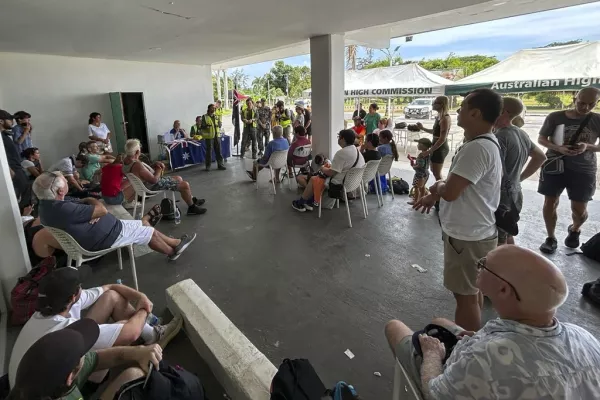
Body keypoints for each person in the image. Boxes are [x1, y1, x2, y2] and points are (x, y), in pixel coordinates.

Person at [384, 245, 600, 400]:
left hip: (462, 376)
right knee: (440, 322)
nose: (478, 267)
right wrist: (481, 340)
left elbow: (434, 393)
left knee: (394, 327)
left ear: (504, 289)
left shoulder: (484, 358)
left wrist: (433, 355)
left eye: (483, 265)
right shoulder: (584, 337)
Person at [413, 88, 503, 332]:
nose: (458, 111)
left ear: (475, 113)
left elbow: (451, 190)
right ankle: (473, 339)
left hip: (467, 236)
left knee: (464, 297)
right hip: (475, 232)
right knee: (473, 293)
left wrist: (439, 186)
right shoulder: (484, 144)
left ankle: (466, 348)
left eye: (462, 108)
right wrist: (435, 195)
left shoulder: (477, 148)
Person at [9, 267, 182, 387]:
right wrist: (144, 310)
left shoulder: (48, 307)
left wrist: (140, 296)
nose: (82, 289)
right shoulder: (62, 330)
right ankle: (149, 340)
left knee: (111, 297)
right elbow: (130, 333)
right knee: (125, 328)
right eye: (79, 287)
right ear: (73, 296)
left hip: (33, 379)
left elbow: (111, 287)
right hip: (57, 388)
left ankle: (152, 335)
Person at [32, 171, 197, 260]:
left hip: (97, 233)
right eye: (66, 182)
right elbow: (102, 209)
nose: (69, 182)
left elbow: (81, 205)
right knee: (148, 232)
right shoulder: (65, 209)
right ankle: (172, 252)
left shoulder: (46, 206)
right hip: (103, 238)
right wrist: (91, 202)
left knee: (143, 226)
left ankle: (176, 243)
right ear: (60, 191)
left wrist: (88, 212)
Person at [8, 318, 177, 400]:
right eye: (82, 353)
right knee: (133, 375)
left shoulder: (37, 378)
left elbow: (100, 357)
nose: (87, 351)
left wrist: (139, 351)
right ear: (70, 377)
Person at [537, 87, 600, 254]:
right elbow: (541, 139)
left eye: (590, 104)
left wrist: (587, 146)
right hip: (555, 165)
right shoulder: (555, 117)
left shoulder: (597, 119)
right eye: (581, 103)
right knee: (550, 203)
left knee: (579, 210)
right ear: (574, 98)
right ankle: (550, 238)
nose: (585, 108)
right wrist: (557, 148)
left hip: (583, 169)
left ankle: (575, 228)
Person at [494, 97, 546, 245]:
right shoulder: (520, 132)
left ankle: (499, 267)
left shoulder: (500, 136)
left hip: (501, 196)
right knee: (507, 233)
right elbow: (540, 157)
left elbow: (496, 172)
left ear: (503, 112)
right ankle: (512, 265)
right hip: (515, 193)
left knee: (498, 241)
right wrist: (519, 178)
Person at [123, 139, 207, 215]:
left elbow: (142, 172)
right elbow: (154, 180)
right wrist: (158, 169)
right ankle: (192, 208)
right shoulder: (136, 164)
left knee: (178, 178)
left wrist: (153, 165)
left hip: (145, 185)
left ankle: (192, 200)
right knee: (185, 185)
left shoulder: (126, 161)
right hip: (152, 186)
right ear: (137, 152)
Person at [292, 129, 365, 212]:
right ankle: (309, 200)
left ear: (343, 139)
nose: (337, 139)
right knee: (317, 176)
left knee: (313, 179)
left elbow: (331, 173)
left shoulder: (341, 153)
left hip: (339, 184)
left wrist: (322, 168)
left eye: (339, 137)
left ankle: (301, 202)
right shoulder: (356, 151)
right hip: (353, 183)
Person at [1, 110, 32, 210]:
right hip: (13, 168)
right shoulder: (2, 136)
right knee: (23, 192)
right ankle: (23, 219)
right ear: (1, 121)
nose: (12, 121)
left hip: (17, 166)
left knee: (25, 191)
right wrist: (9, 170)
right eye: (9, 119)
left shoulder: (4, 135)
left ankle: (25, 217)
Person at [415, 96, 452, 181]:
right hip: (436, 145)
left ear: (441, 104)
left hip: (440, 147)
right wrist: (422, 128)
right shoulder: (439, 117)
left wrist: (429, 151)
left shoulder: (445, 119)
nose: (433, 104)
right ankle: (439, 190)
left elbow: (442, 138)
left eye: (435, 103)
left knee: (437, 173)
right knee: (433, 170)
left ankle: (441, 191)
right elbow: (434, 132)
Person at [200, 104, 226, 171]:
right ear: (208, 109)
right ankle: (208, 166)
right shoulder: (204, 117)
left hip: (217, 136)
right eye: (212, 108)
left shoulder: (216, 116)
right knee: (209, 152)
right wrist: (206, 126)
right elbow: (201, 126)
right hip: (209, 137)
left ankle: (220, 165)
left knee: (219, 151)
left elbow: (220, 125)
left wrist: (220, 124)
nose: (213, 109)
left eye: (214, 108)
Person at [408, 138, 432, 206]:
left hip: (420, 174)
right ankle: (421, 200)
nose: (417, 145)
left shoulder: (421, 155)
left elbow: (421, 165)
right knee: (422, 187)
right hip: (426, 173)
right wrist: (416, 159)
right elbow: (424, 162)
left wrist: (414, 166)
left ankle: (415, 201)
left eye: (419, 144)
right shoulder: (427, 154)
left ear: (424, 146)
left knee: (416, 187)